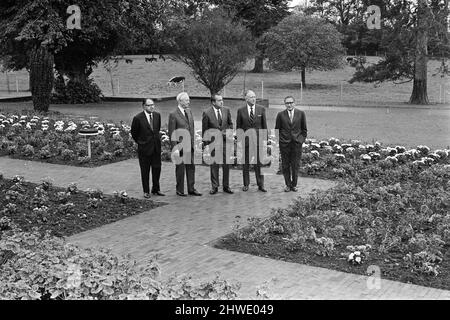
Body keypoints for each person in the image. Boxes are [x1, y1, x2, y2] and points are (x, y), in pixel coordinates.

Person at [168, 92, 202, 196]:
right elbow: (171, 132)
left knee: (191, 168)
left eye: (188, 99)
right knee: (180, 169)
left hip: (190, 145)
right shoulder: (173, 114)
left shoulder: (189, 111)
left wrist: (195, 143)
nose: (189, 101)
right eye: (186, 100)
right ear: (180, 101)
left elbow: (192, 128)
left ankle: (191, 189)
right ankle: (180, 190)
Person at [131, 98, 165, 198]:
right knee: (145, 171)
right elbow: (134, 133)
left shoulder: (157, 115)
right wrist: (141, 142)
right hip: (144, 149)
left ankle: (156, 189)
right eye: (149, 105)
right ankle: (146, 191)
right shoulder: (138, 118)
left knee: (157, 169)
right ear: (144, 106)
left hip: (156, 148)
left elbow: (156, 130)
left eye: (153, 105)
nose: (152, 107)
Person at [236, 90, 268, 192]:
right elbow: (239, 127)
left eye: (254, 96)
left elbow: (264, 126)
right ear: (246, 98)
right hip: (246, 142)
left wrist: (264, 140)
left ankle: (260, 184)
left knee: (259, 164)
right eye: (251, 97)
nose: (253, 99)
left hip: (258, 141)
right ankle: (246, 184)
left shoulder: (261, 109)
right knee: (245, 164)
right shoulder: (241, 110)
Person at [202, 93, 234, 195]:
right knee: (214, 165)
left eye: (222, 100)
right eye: (219, 100)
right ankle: (214, 187)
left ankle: (226, 186)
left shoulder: (226, 110)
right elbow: (205, 130)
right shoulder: (207, 113)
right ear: (213, 102)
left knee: (226, 165)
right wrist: (206, 144)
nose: (222, 102)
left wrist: (227, 133)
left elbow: (230, 124)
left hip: (225, 142)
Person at [275, 96, 307, 192]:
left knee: (295, 165)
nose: (289, 105)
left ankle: (294, 185)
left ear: (294, 103)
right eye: (287, 103)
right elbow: (277, 130)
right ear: (285, 104)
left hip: (296, 145)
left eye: (291, 102)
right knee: (285, 165)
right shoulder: (280, 115)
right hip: (285, 144)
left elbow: (304, 130)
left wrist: (300, 141)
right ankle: (288, 185)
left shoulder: (301, 114)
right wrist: (281, 141)